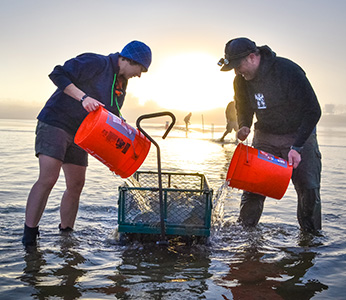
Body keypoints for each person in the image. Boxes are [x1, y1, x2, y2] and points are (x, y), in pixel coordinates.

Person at [22, 41, 152, 247]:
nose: (140, 75)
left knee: (76, 184)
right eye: (141, 69)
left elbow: (111, 115)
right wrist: (83, 97)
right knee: (48, 177)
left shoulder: (121, 84)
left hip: (82, 135)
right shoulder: (97, 62)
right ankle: (29, 236)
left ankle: (66, 234)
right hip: (56, 122)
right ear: (130, 59)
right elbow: (57, 74)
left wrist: (118, 151)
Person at [218, 37, 322, 233]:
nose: (236, 71)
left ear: (252, 57)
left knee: (308, 189)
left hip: (299, 136)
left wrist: (297, 147)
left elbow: (313, 111)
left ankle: (311, 239)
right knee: (253, 189)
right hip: (266, 136)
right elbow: (244, 105)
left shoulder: (288, 71)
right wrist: (244, 124)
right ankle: (244, 234)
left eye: (238, 65)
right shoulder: (240, 80)